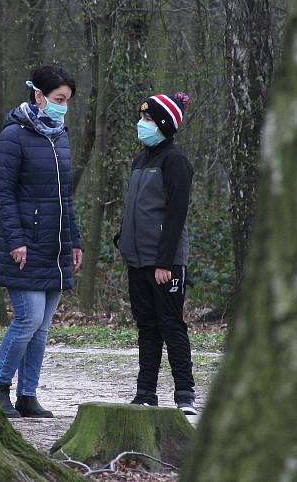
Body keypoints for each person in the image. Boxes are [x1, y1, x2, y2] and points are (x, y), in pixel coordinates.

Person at [0, 64, 83, 418]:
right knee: (27, 320)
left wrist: (74, 241)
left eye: (67, 101)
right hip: (25, 246)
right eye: (59, 99)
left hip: (56, 247)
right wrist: (16, 239)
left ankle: (27, 395)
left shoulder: (61, 136)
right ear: (39, 95)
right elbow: (4, 193)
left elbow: (66, 198)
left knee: (42, 328)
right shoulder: (13, 136)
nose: (63, 107)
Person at [115, 91, 197, 415]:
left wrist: (165, 262)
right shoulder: (140, 161)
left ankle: (185, 393)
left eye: (148, 119)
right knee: (146, 327)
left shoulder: (175, 162)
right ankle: (145, 391)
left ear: (163, 124)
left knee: (171, 325)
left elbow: (175, 215)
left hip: (165, 263)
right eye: (142, 117)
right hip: (137, 261)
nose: (141, 124)